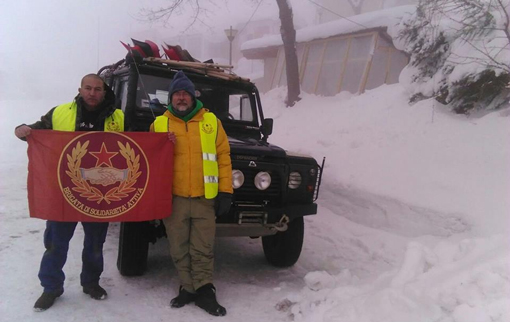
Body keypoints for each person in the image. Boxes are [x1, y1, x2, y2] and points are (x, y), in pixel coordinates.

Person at [14, 74, 124, 312]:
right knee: (56, 242)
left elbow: (141, 142)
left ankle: (91, 283)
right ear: (80, 89)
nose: (92, 93)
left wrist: (164, 139)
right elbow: (37, 131)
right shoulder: (60, 112)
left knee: (95, 243)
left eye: (97, 89)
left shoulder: (119, 117)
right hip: (63, 192)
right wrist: (23, 129)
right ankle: (51, 287)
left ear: (104, 92)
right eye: (88, 88)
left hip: (100, 194)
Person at [150, 71, 233, 317]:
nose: (182, 98)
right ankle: (188, 287)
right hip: (173, 200)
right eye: (177, 94)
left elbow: (223, 157)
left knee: (203, 247)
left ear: (193, 95)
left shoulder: (211, 122)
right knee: (178, 247)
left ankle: (205, 290)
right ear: (171, 98)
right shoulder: (159, 124)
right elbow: (150, 161)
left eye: (186, 93)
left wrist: (225, 191)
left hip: (203, 199)